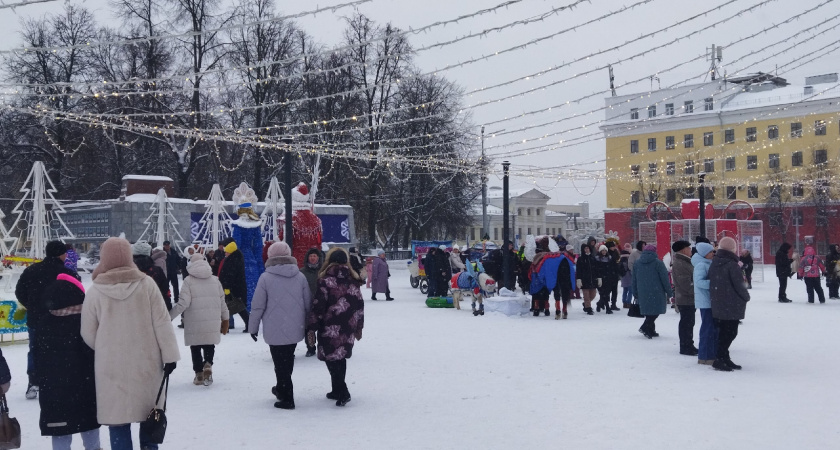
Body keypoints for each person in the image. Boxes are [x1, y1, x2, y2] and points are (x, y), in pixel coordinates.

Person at [81, 237, 180, 450]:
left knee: (118, 421)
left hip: (111, 368)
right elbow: (162, 324)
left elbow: (88, 333)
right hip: (146, 364)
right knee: (149, 416)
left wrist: (107, 347)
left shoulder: (96, 291)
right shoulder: (147, 285)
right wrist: (170, 356)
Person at [37, 273, 100, 450]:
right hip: (85, 384)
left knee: (60, 428)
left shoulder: (45, 322)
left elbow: (38, 356)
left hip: (54, 387)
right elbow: (93, 351)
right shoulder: (86, 320)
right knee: (89, 424)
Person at [249, 242, 312, 410]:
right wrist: (308, 324)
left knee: (279, 362)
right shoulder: (300, 276)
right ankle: (281, 389)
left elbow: (257, 306)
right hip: (295, 326)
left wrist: (253, 327)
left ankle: (287, 396)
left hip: (273, 327)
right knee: (288, 359)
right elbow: (308, 304)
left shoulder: (265, 278)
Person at [15, 240, 78, 400]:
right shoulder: (66, 273)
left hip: (36, 319)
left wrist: (31, 305)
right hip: (60, 320)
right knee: (60, 350)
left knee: (35, 350)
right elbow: (77, 294)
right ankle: (58, 382)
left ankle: (33, 382)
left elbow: (19, 291)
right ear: (61, 254)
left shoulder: (31, 271)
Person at [306, 247, 364, 407]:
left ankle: (342, 390)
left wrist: (312, 326)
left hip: (330, 326)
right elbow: (360, 304)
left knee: (331, 358)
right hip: (348, 325)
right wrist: (359, 326)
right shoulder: (353, 280)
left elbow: (319, 306)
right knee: (340, 356)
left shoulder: (325, 281)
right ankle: (336, 389)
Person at [170, 253, 229, 386]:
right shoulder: (215, 280)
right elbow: (222, 302)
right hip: (212, 320)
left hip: (194, 321)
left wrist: (168, 317)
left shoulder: (188, 281)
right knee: (209, 344)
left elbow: (183, 303)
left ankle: (199, 374)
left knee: (195, 347)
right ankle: (208, 363)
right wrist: (225, 318)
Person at [708, 237, 750, 371]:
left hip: (719, 302)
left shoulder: (715, 262)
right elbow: (739, 285)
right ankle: (720, 359)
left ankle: (724, 358)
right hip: (732, 303)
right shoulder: (732, 264)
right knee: (730, 333)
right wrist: (746, 297)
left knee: (724, 332)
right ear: (733, 249)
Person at [632, 244, 672, 339]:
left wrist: (635, 291)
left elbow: (634, 279)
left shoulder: (637, 263)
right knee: (655, 311)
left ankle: (651, 329)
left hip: (642, 290)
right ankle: (645, 327)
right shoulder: (658, 263)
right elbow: (664, 279)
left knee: (648, 311)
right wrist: (669, 291)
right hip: (656, 290)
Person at [671, 240, 697, 356]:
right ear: (683, 250)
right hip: (686, 299)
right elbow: (686, 284)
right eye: (689, 248)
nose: (691, 250)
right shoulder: (681, 263)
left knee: (688, 323)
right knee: (687, 323)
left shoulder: (685, 262)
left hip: (687, 298)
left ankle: (688, 345)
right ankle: (686, 346)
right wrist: (697, 292)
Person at [693, 242, 717, 365]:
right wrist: (714, 283)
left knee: (711, 328)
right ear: (704, 254)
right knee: (708, 329)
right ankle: (705, 355)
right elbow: (699, 282)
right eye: (710, 252)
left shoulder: (707, 263)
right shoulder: (701, 265)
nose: (713, 253)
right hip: (705, 301)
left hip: (710, 300)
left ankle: (709, 353)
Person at [218, 239, 251, 331]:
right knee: (237, 307)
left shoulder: (233, 259)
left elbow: (230, 274)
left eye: (226, 252)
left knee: (235, 307)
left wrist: (227, 287)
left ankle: (226, 326)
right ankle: (247, 324)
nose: (225, 253)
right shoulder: (236, 257)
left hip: (233, 288)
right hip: (235, 287)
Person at [132, 241, 171, 310]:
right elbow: (165, 292)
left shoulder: (126, 271)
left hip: (132, 311)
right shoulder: (157, 271)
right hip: (153, 310)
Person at [301, 248, 323, 357]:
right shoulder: (302, 272)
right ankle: (310, 347)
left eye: (315, 256)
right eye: (311, 256)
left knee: (323, 327)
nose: (313, 258)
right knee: (309, 327)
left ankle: (322, 346)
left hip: (322, 303)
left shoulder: (324, 271)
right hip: (307, 303)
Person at [575, 244, 600, 315]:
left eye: (588, 248)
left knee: (593, 295)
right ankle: (588, 308)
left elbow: (596, 269)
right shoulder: (581, 259)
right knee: (586, 295)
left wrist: (598, 277)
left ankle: (586, 303)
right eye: (585, 248)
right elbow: (579, 270)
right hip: (584, 280)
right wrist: (579, 279)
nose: (587, 250)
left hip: (593, 279)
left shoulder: (593, 258)